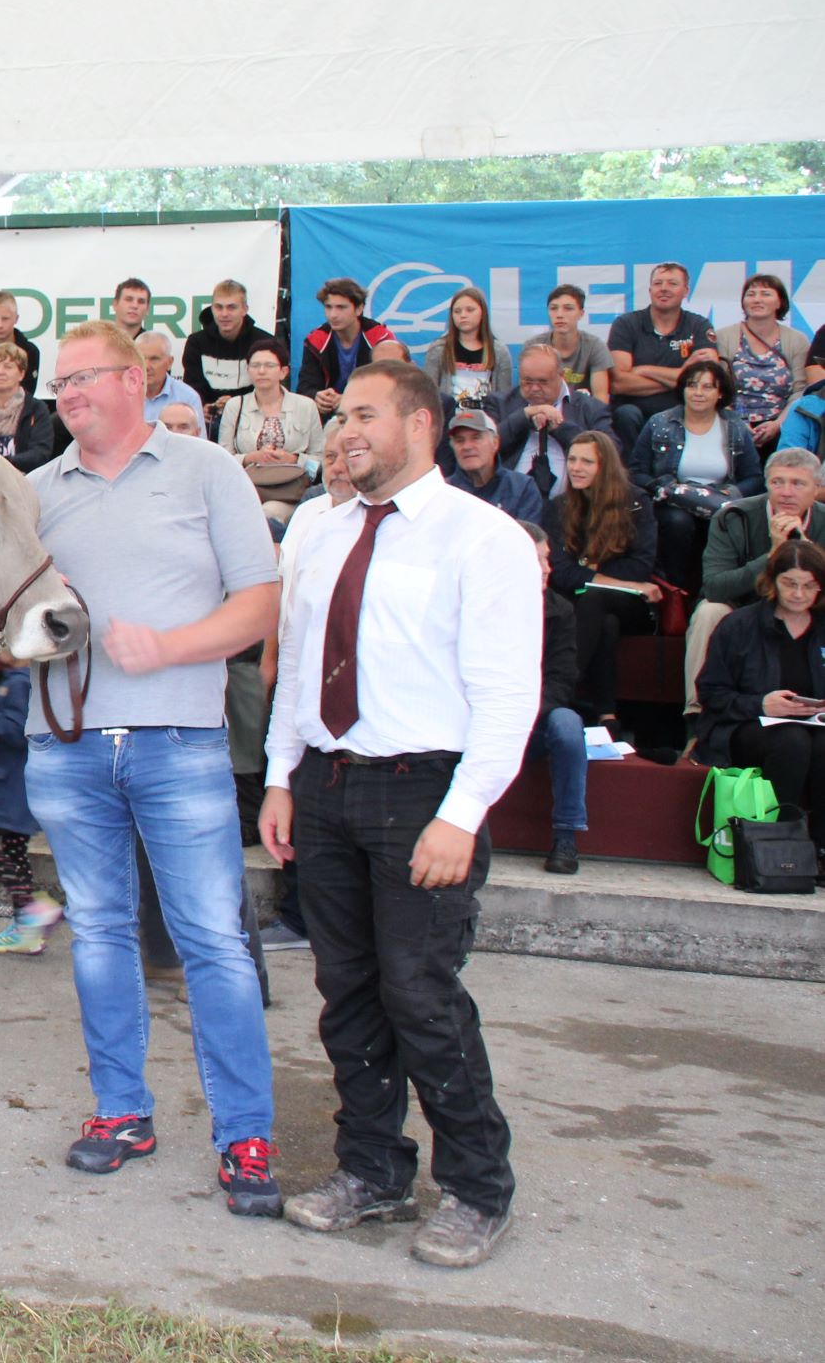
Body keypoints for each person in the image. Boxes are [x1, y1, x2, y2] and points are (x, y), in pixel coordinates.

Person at [260, 359, 533, 1269]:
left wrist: (461, 816)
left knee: (422, 996)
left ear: (421, 424)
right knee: (348, 996)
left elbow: (506, 697)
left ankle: (476, 1188)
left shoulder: (480, 536)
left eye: (366, 417)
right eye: (343, 421)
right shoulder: (324, 530)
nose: (346, 434)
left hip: (426, 793)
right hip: (329, 789)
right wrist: (279, 777)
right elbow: (299, 663)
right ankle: (373, 1171)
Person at [24, 320, 284, 1216]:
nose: (66, 396)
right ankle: (120, 1112)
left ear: (135, 380)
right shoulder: (32, 492)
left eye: (81, 378)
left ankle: (246, 1135)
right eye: (59, 385)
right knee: (97, 936)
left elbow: (258, 604)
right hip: (66, 744)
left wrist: (168, 646)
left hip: (179, 742)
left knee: (214, 942)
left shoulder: (207, 469)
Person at [692, 538, 825, 868]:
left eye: (809, 586)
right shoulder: (740, 625)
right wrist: (760, 705)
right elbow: (710, 693)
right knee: (792, 742)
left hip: (814, 728)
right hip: (746, 727)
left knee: (820, 745)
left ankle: (820, 848)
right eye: (789, 584)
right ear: (773, 581)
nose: (798, 594)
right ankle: (779, 847)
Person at [686, 449, 825, 722]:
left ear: (817, 489)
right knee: (708, 611)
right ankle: (698, 717)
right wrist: (773, 555)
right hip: (745, 609)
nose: (786, 492)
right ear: (766, 484)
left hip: (808, 609)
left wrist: (807, 561)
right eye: (777, 482)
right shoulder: (733, 516)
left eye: (798, 484)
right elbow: (714, 587)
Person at [543, 429, 661, 729]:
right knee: (603, 621)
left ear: (604, 466)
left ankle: (559, 694)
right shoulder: (558, 508)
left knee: (591, 597)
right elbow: (561, 573)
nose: (575, 468)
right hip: (590, 604)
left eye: (587, 461)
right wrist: (628, 583)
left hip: (633, 607)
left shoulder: (635, 503)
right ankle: (607, 715)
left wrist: (603, 577)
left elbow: (640, 566)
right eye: (571, 459)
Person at [628, 356, 762, 592]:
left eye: (707, 386)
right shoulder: (659, 422)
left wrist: (731, 493)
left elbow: (754, 478)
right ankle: (677, 592)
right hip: (673, 501)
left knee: (727, 520)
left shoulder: (735, 427)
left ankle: (719, 592)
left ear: (720, 393)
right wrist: (661, 488)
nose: (698, 392)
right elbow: (637, 472)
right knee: (677, 522)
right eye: (692, 385)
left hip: (721, 501)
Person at [0, 656, 64, 955]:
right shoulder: (27, 679)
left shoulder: (19, 682)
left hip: (6, 787)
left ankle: (31, 907)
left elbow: (18, 731)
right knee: (15, 851)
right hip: (18, 788)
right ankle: (26, 928)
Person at [519, 521, 590, 875]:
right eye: (538, 561)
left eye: (547, 560)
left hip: (533, 721)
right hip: (484, 719)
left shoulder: (560, 610)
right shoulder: (477, 604)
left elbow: (562, 681)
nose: (548, 569)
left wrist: (525, 711)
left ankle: (566, 835)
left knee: (567, 722)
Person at [607, 261, 721, 449]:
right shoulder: (626, 324)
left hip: (682, 409)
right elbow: (619, 383)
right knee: (626, 414)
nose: (664, 289)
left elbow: (705, 379)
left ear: (686, 291)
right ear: (650, 289)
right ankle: (633, 477)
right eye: (658, 283)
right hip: (634, 411)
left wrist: (644, 370)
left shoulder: (699, 326)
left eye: (672, 283)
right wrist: (683, 374)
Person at [217, 339, 324, 523]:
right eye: (255, 365)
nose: (261, 371)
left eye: (269, 365)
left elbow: (321, 461)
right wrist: (251, 458)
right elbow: (221, 458)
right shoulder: (235, 406)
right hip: (247, 487)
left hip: (289, 491)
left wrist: (294, 459)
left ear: (284, 372)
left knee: (267, 514)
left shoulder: (306, 406)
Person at [494, 341, 613, 500]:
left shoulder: (590, 408)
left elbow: (611, 453)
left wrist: (560, 427)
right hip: (510, 503)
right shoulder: (500, 404)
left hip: (574, 505)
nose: (535, 388)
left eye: (543, 382)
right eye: (528, 381)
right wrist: (524, 416)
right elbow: (486, 446)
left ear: (561, 376)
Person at [713, 273, 807, 448]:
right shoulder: (724, 337)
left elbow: (799, 391)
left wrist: (778, 425)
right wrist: (736, 422)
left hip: (782, 427)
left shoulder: (797, 340)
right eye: (751, 294)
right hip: (731, 424)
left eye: (765, 293)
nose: (757, 299)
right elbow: (717, 387)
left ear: (780, 302)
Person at [297, 279, 398, 419]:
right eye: (328, 307)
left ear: (359, 309)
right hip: (327, 418)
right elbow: (305, 387)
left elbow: (391, 387)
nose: (333, 315)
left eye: (341, 307)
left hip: (372, 414)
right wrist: (316, 396)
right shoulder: (316, 339)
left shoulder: (381, 339)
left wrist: (348, 399)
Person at [181, 279, 272, 417]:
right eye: (218, 307)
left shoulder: (265, 343)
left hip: (252, 417)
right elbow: (192, 386)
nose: (224, 314)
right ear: (211, 308)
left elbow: (270, 389)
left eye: (232, 307)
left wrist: (237, 404)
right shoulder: (196, 342)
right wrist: (203, 406)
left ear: (244, 309)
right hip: (209, 419)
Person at [0, 341, 57, 472]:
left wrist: (3, 462)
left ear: (21, 374)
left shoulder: (37, 409)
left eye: (8, 367)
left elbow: (40, 453)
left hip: (25, 481)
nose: (0, 372)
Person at [443, 409, 543, 526]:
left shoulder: (521, 487)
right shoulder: (443, 493)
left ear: (495, 443)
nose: (467, 446)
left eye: (476, 438)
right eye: (459, 440)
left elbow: (527, 539)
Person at [422, 288, 515, 410]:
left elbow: (504, 398)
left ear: (483, 312)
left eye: (470, 310)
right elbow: (429, 394)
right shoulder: (439, 349)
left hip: (487, 423)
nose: (463, 315)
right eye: (457, 311)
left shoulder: (499, 351)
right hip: (450, 423)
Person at [527, 283, 615, 403]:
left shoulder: (595, 346)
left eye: (568, 308)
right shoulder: (534, 347)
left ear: (581, 314)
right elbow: (530, 396)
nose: (559, 315)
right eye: (553, 308)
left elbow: (601, 399)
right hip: (545, 412)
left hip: (584, 414)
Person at [135, 329, 204, 426]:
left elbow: (197, 439)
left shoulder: (188, 397)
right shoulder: (120, 394)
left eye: (154, 359)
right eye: (141, 359)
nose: (146, 366)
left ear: (169, 362)